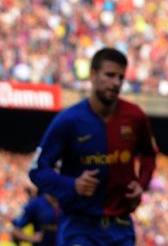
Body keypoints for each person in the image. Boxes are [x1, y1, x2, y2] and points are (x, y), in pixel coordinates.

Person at [29, 48, 157, 246]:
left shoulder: (135, 117)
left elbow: (149, 155)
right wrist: (72, 185)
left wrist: (142, 183)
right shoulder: (68, 120)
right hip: (80, 225)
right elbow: (37, 170)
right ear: (93, 75)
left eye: (121, 77)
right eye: (110, 75)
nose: (116, 83)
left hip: (120, 226)